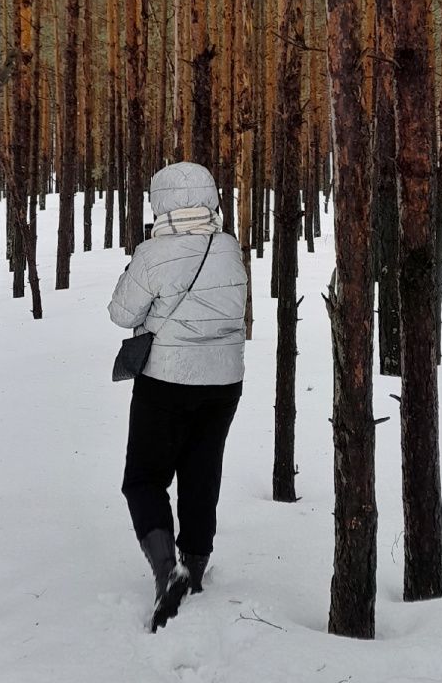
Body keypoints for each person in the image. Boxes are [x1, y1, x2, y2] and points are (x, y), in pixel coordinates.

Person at [108, 162, 248, 630]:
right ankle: (196, 568)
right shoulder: (228, 248)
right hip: (224, 382)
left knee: (144, 478)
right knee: (201, 474)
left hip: (166, 381)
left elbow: (121, 313)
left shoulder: (152, 253)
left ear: (161, 201)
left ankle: (167, 569)